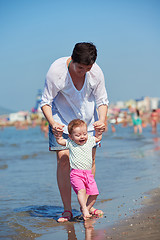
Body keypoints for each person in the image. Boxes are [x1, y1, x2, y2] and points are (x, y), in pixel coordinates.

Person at [40, 42, 109, 222]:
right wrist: (53, 123)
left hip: (88, 123)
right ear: (72, 59)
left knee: (89, 160)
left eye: (88, 68)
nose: (84, 72)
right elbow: (46, 101)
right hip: (61, 122)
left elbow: (102, 100)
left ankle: (86, 207)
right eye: (80, 68)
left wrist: (102, 120)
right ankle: (67, 210)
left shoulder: (96, 72)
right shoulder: (56, 72)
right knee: (64, 160)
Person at [54, 119, 102, 220]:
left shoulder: (89, 141)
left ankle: (86, 208)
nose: (82, 137)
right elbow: (60, 141)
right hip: (76, 174)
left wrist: (99, 132)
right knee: (81, 191)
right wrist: (58, 135)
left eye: (84, 133)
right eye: (78, 135)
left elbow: (98, 138)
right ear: (71, 137)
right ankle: (85, 210)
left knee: (94, 193)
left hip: (88, 174)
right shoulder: (71, 143)